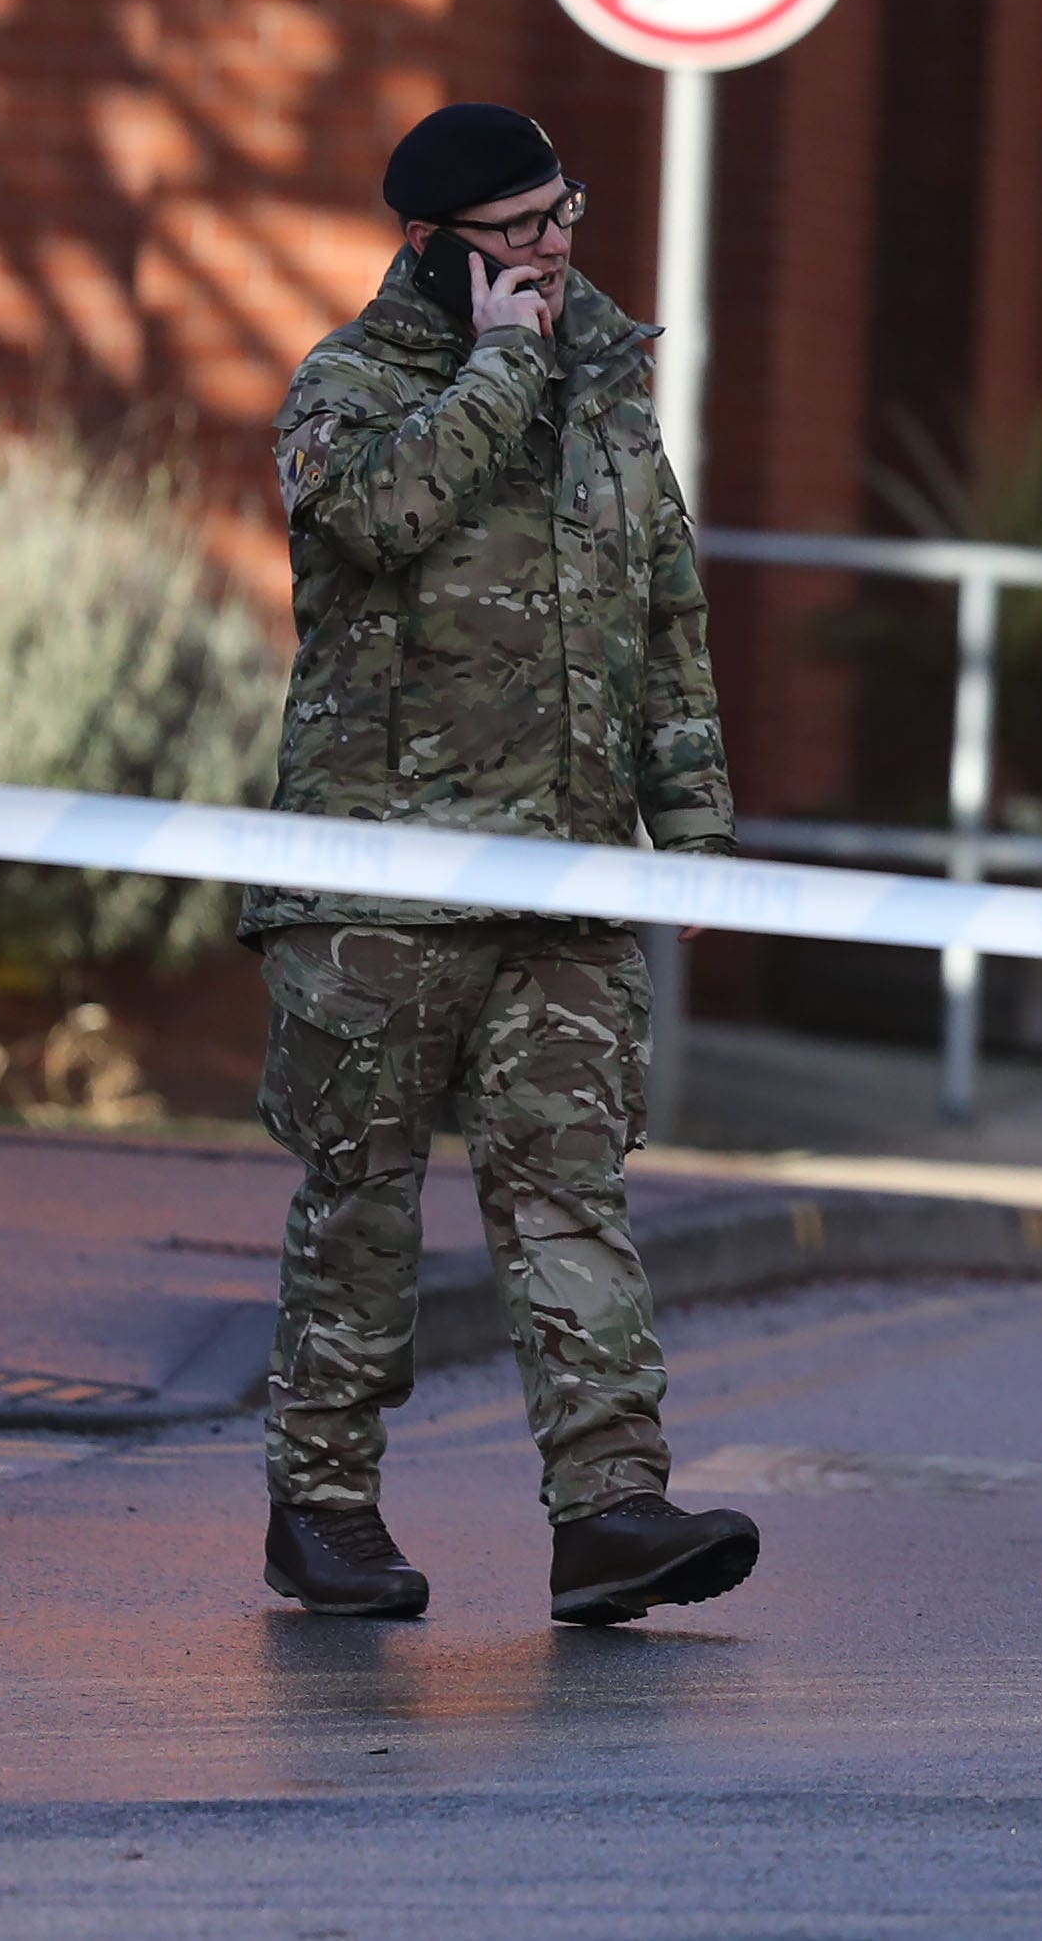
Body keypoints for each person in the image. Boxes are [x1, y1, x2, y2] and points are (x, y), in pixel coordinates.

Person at [247, 103, 761, 1628]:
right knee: (362, 1203)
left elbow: (669, 624)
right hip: (377, 887)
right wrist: (501, 369)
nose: (554, 250)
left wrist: (699, 840)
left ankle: (612, 1511)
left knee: (571, 1201)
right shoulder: (350, 388)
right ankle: (321, 1508)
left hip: (573, 882)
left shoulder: (611, 400)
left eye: (565, 213)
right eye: (520, 231)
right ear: (436, 250)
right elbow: (374, 518)